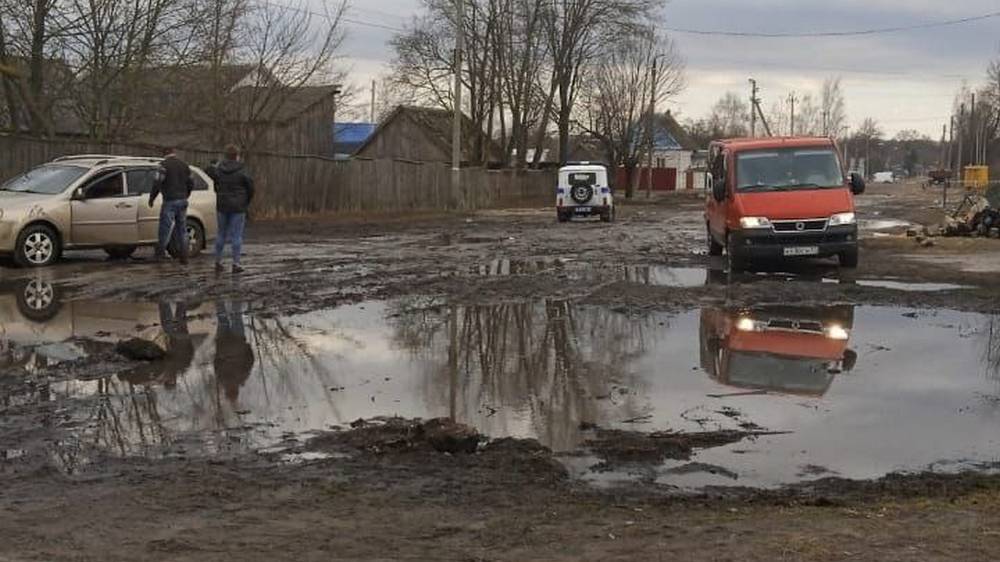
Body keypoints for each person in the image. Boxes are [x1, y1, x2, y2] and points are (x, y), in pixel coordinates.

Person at [207, 145, 254, 274]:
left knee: (221, 234)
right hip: (238, 206)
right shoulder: (242, 170)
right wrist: (245, 201)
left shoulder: (219, 170)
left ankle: (217, 261)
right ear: (237, 156)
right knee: (236, 235)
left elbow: (215, 184)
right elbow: (251, 188)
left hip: (222, 205)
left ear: (225, 156)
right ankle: (236, 263)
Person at [149, 147, 194, 264]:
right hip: (183, 199)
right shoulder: (184, 165)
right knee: (182, 229)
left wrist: (152, 198)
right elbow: (191, 182)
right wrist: (187, 194)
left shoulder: (163, 165)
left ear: (164, 154)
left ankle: (160, 254)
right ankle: (184, 256)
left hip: (170, 200)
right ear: (174, 153)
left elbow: (158, 182)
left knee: (165, 228)